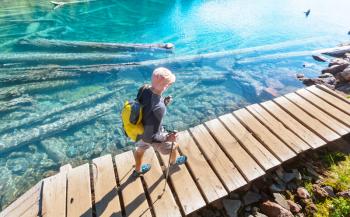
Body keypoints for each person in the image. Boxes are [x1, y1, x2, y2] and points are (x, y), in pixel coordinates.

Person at [133, 67, 187, 176]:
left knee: (140, 150)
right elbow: (150, 137)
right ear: (165, 85)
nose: (169, 86)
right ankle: (173, 162)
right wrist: (168, 138)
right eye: (169, 84)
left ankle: (137, 170)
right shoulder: (159, 108)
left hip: (139, 129)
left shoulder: (144, 89)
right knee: (174, 145)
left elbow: (147, 108)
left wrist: (163, 102)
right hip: (151, 135)